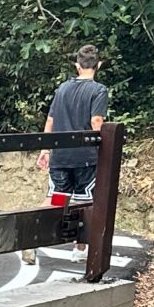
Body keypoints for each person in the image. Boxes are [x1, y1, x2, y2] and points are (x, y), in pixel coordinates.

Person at [43, 44, 108, 196]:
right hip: (85, 158)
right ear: (98, 65)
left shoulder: (62, 88)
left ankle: (55, 220)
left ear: (77, 65)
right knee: (84, 204)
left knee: (58, 204)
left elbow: (50, 121)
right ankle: (81, 220)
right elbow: (96, 122)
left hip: (59, 157)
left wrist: (45, 150)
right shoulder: (99, 90)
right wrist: (104, 153)